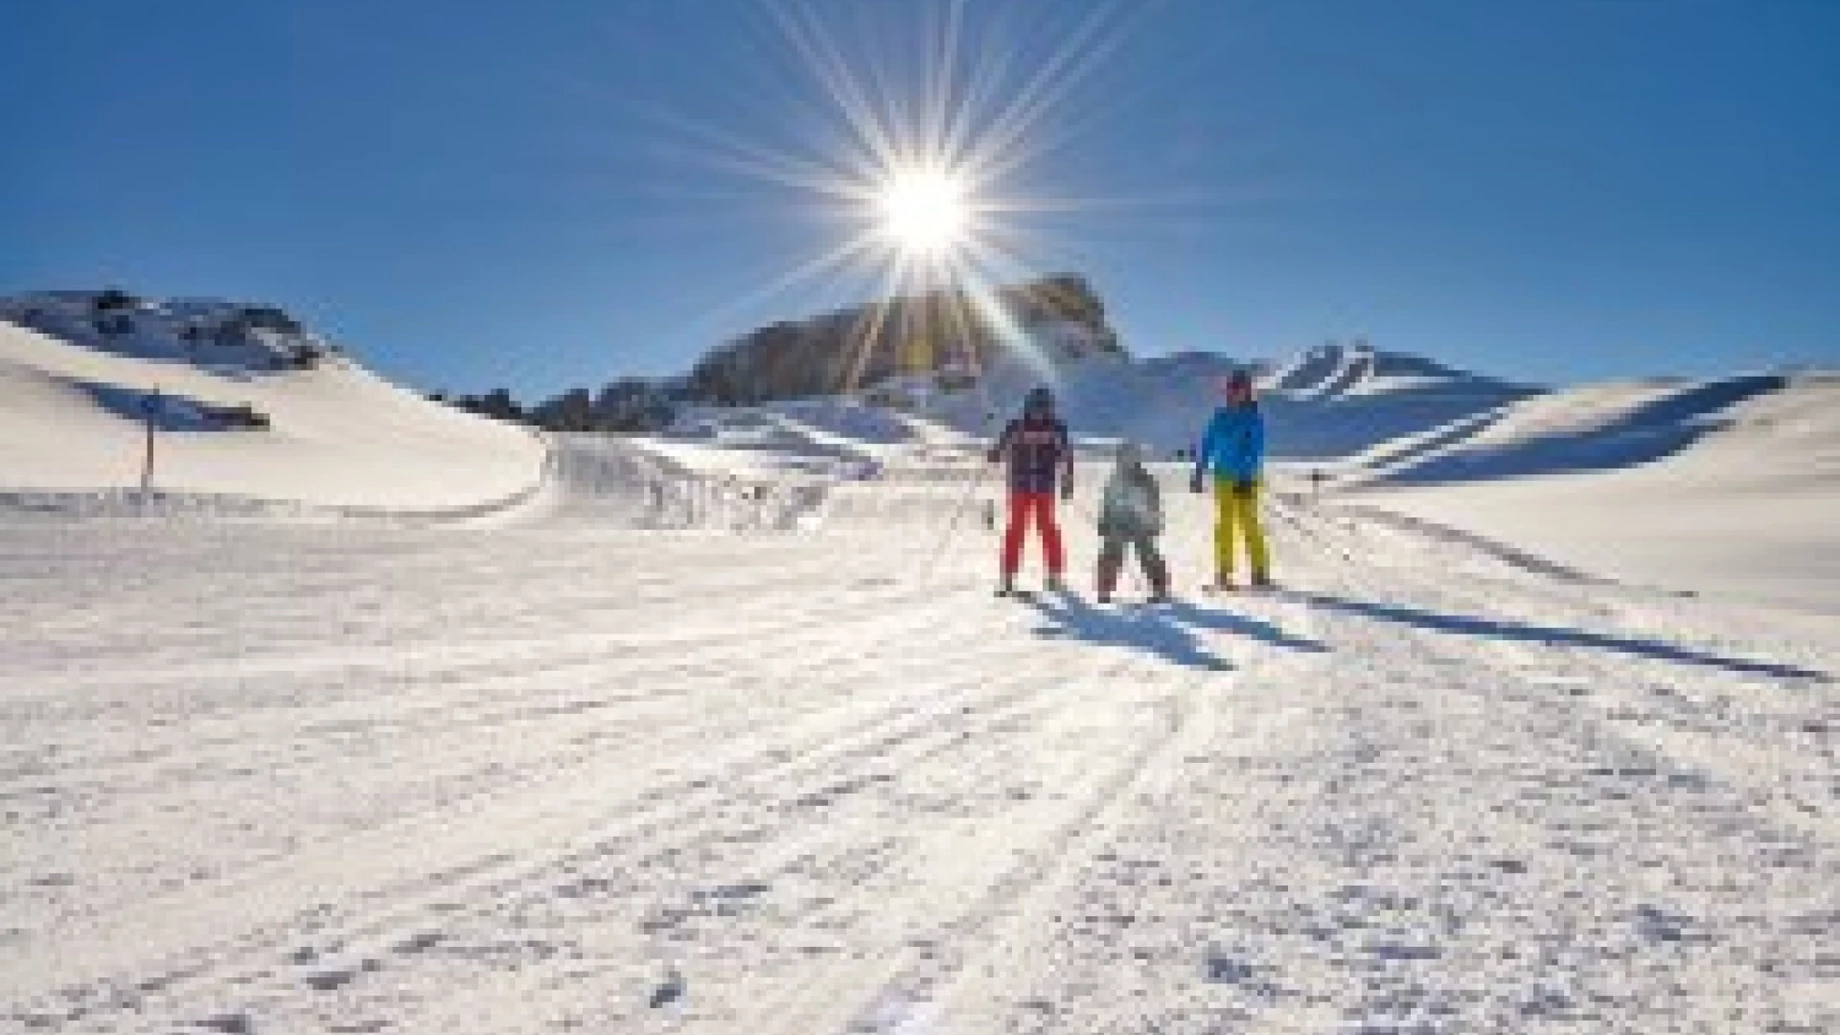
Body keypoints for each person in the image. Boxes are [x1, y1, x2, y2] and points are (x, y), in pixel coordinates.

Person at [1189, 370, 1272, 589]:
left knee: (1248, 522)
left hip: (1247, 478)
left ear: (1247, 392)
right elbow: (1207, 444)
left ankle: (1259, 570)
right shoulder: (1219, 416)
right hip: (1223, 477)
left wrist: (1245, 477)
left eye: (1238, 389)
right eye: (1230, 389)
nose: (1233, 393)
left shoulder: (1253, 418)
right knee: (1224, 524)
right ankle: (1224, 572)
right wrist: (1199, 470)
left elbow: (1255, 451)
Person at [987, 386, 1073, 594]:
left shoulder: (1056, 428)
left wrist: (1068, 478)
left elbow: (1066, 454)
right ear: (1028, 406)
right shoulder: (1015, 427)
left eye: (1045, 408)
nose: (1040, 413)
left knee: (1047, 527)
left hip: (1044, 485)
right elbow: (1000, 446)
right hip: (1020, 485)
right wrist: (995, 453)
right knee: (1016, 528)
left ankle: (1054, 574)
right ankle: (1007, 575)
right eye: (1037, 408)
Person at [1095, 440, 1170, 603]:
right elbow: (1107, 502)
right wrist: (1104, 521)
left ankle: (1160, 588)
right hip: (1118, 521)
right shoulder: (1114, 479)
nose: (1124, 462)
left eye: (1128, 458)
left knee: (1147, 553)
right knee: (1111, 551)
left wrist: (1154, 524)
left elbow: (1154, 504)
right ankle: (1104, 588)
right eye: (1121, 458)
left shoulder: (1146, 480)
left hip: (1141, 523)